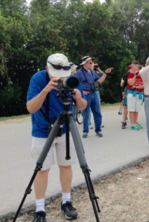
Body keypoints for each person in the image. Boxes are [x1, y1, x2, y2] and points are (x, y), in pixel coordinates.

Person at [26, 53, 87, 222]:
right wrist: (46, 89)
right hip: (42, 130)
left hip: (66, 129)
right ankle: (39, 209)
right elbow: (31, 108)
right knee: (42, 169)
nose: (60, 79)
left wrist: (78, 97)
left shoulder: (71, 78)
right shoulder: (38, 79)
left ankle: (66, 202)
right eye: (56, 75)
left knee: (66, 165)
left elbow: (82, 106)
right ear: (47, 69)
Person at [75, 56, 113, 138]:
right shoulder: (78, 73)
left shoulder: (92, 72)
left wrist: (105, 73)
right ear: (84, 63)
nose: (92, 64)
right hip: (86, 94)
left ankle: (98, 130)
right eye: (90, 63)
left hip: (95, 93)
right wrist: (81, 92)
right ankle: (85, 131)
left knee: (98, 113)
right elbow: (75, 84)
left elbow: (100, 81)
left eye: (92, 62)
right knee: (86, 113)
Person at [127, 62, 144, 129]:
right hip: (132, 94)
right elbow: (131, 83)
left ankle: (135, 122)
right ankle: (132, 124)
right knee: (132, 109)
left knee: (137, 110)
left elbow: (144, 86)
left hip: (139, 94)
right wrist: (135, 75)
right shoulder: (130, 75)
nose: (134, 70)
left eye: (136, 68)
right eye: (133, 68)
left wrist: (137, 87)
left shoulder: (142, 75)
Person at [120, 64, 133, 129]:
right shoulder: (126, 75)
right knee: (125, 106)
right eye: (130, 69)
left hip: (134, 91)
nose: (131, 70)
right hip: (127, 91)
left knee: (133, 107)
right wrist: (122, 91)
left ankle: (133, 121)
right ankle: (124, 121)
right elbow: (124, 83)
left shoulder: (137, 74)